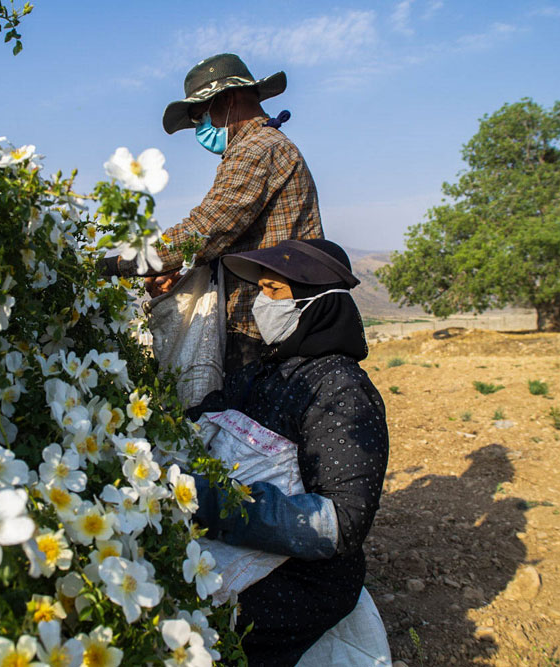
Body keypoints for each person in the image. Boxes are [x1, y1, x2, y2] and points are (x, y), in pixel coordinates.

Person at [187, 239, 389, 666]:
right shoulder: (264, 371)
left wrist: (212, 502)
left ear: (317, 304)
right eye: (261, 290)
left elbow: (342, 522)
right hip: (244, 543)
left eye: (274, 291)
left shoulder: (340, 390)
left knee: (190, 625)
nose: (263, 303)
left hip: (302, 579)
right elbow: (206, 415)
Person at [99, 53, 323, 373]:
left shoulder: (257, 148)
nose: (199, 128)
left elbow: (205, 231)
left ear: (228, 99)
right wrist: (173, 270)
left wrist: (121, 262)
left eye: (199, 116)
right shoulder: (257, 146)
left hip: (270, 329)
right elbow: (223, 236)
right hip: (267, 320)